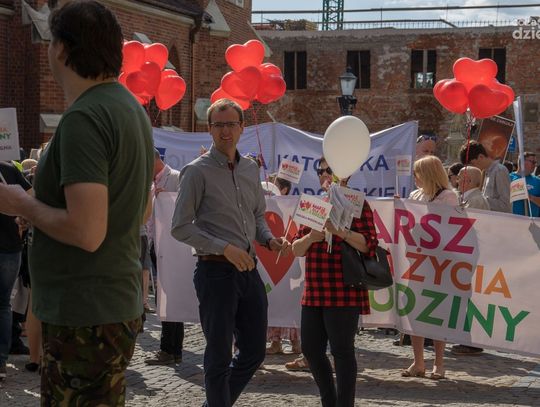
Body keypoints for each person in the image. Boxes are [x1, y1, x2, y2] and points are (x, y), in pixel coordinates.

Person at [0, 1, 154, 403]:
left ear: (63, 49)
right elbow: (138, 208)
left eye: (51, 41)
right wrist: (41, 207)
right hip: (109, 304)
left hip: (83, 313)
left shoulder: (85, 117)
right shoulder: (129, 109)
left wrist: (22, 204)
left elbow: (87, 231)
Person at [171, 98, 289, 407]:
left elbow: (257, 215)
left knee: (255, 351)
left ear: (242, 127)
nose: (226, 131)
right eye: (219, 125)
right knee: (219, 355)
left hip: (248, 270)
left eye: (231, 124)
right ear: (209, 129)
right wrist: (223, 247)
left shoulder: (250, 168)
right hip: (215, 272)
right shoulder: (195, 171)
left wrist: (269, 239)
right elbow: (179, 227)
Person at [290, 156, 378, 407]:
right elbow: (296, 249)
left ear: (345, 174)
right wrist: (311, 237)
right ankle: (329, 400)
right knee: (310, 350)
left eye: (330, 170)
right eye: (321, 171)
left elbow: (369, 245)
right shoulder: (314, 204)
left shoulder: (357, 204)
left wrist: (341, 231)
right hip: (315, 290)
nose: (325, 175)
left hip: (344, 289)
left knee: (342, 350)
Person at [402, 155, 458, 380]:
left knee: (437, 312)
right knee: (415, 310)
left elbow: (449, 228)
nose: (415, 178)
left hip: (439, 263)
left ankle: (439, 363)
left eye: (418, 173)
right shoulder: (415, 195)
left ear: (428, 174)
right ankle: (418, 362)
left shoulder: (448, 197)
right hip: (416, 261)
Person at [145, 149, 185, 365]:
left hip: (172, 248)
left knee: (170, 299)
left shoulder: (176, 178)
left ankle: (170, 349)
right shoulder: (151, 184)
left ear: (154, 161)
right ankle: (172, 349)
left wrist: (168, 199)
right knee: (164, 298)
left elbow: (186, 208)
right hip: (156, 245)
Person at [0, 162, 32, 380]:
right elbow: (32, 197)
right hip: (10, 247)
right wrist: (23, 218)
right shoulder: (9, 170)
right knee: (3, 304)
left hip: (10, 249)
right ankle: (1, 362)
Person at [459, 140, 511, 213]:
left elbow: (506, 205)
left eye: (473, 164)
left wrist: (478, 200)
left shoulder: (499, 170)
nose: (472, 168)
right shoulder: (485, 172)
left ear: (481, 157)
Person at [509, 152, 540, 217]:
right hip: (511, 219)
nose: (535, 165)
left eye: (535, 163)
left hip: (531, 221)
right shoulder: (508, 178)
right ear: (523, 162)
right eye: (533, 162)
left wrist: (530, 197)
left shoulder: (537, 181)